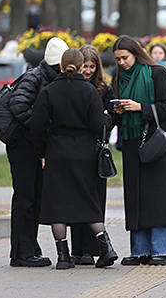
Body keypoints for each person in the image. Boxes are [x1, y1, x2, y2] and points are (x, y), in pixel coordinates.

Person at [30, 48, 118, 270]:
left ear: (60, 66)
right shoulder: (89, 91)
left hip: (57, 152)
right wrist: (108, 119)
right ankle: (105, 247)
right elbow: (99, 126)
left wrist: (42, 153)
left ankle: (63, 256)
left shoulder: (49, 91)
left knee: (57, 204)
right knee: (88, 199)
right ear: (81, 67)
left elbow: (38, 127)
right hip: (84, 152)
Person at [112, 35, 166, 266]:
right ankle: (140, 250)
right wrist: (119, 111)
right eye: (118, 60)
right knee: (137, 196)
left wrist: (139, 107)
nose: (122, 63)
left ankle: (164, 249)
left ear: (136, 53)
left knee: (159, 196)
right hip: (133, 143)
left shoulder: (157, 73)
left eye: (125, 58)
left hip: (156, 144)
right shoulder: (121, 77)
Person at [8, 37, 69, 267]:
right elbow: (18, 105)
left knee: (33, 196)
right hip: (23, 145)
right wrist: (38, 127)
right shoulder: (35, 77)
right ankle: (22, 252)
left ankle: (29, 248)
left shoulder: (45, 76)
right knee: (25, 197)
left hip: (31, 144)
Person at [69, 44, 116, 266]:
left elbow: (108, 122)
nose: (87, 71)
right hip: (76, 150)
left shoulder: (105, 89)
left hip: (96, 151)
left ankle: (89, 249)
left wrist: (102, 118)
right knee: (75, 199)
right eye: (83, 66)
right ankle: (75, 249)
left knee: (95, 200)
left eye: (91, 66)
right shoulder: (71, 85)